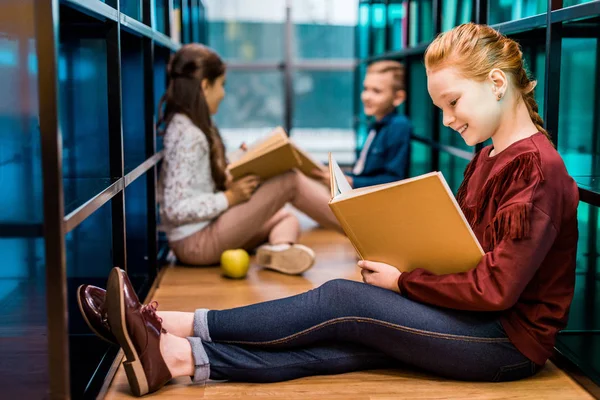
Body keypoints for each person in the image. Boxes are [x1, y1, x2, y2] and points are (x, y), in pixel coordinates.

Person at [78, 23, 579, 396]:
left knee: (342, 299)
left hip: (506, 342)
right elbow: (467, 247)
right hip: (472, 320)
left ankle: (170, 323)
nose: (447, 120)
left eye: (452, 103)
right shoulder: (491, 153)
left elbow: (496, 288)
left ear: (496, 82)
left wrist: (403, 282)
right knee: (342, 343)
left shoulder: (537, 169)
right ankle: (173, 356)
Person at [156, 44, 341, 275]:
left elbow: (195, 180)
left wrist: (240, 160)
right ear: (205, 86)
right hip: (195, 242)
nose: (223, 94)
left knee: (284, 217)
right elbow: (175, 208)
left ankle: (280, 249)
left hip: (202, 231)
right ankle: (359, 231)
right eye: (221, 85)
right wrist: (229, 198)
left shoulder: (189, 124)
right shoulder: (189, 134)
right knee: (290, 181)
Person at [312, 60, 412, 189]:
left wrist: (350, 182)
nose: (366, 97)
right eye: (365, 89)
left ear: (398, 98)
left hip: (366, 201)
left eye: (376, 91)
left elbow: (394, 180)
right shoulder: (376, 125)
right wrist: (343, 176)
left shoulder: (399, 126)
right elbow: (364, 172)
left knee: (292, 181)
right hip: (353, 191)